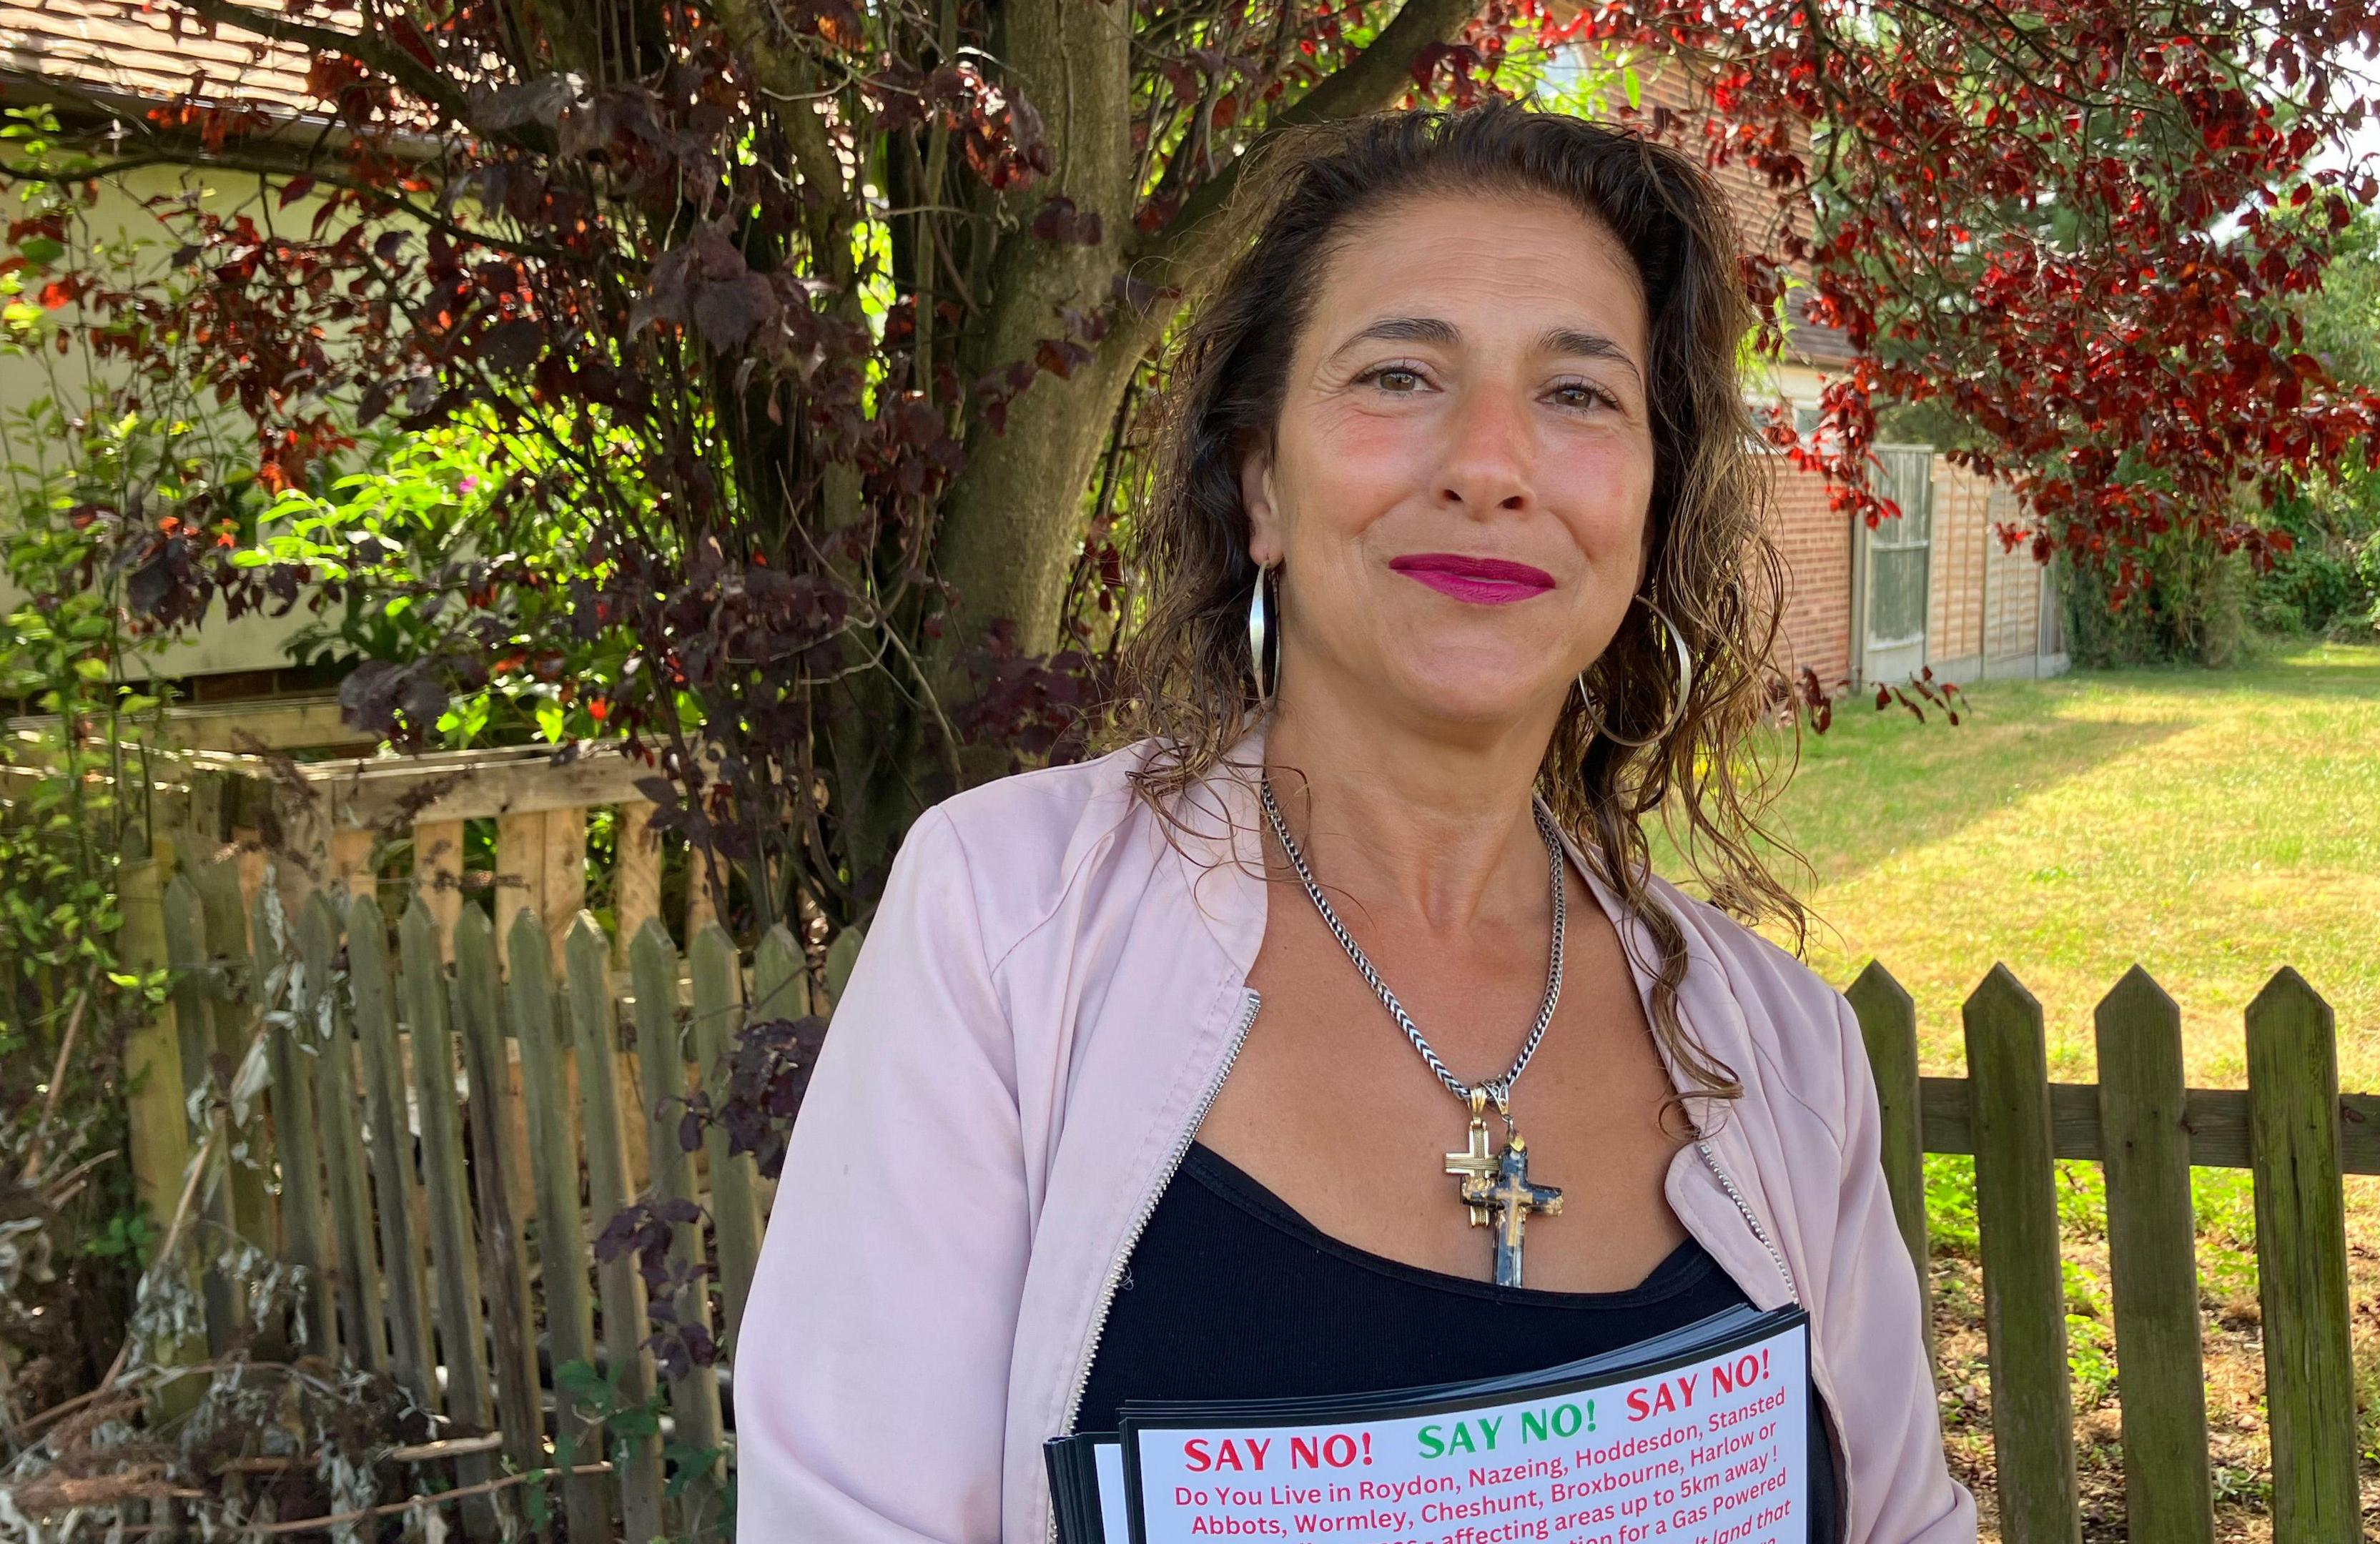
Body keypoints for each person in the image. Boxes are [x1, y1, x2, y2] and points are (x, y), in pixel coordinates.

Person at [734, 102, 1976, 1544]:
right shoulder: (1007, 932)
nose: (1491, 463)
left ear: (1647, 503)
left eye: (1579, 396)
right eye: (1399, 374)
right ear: (1262, 483)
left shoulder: (1783, 1053)